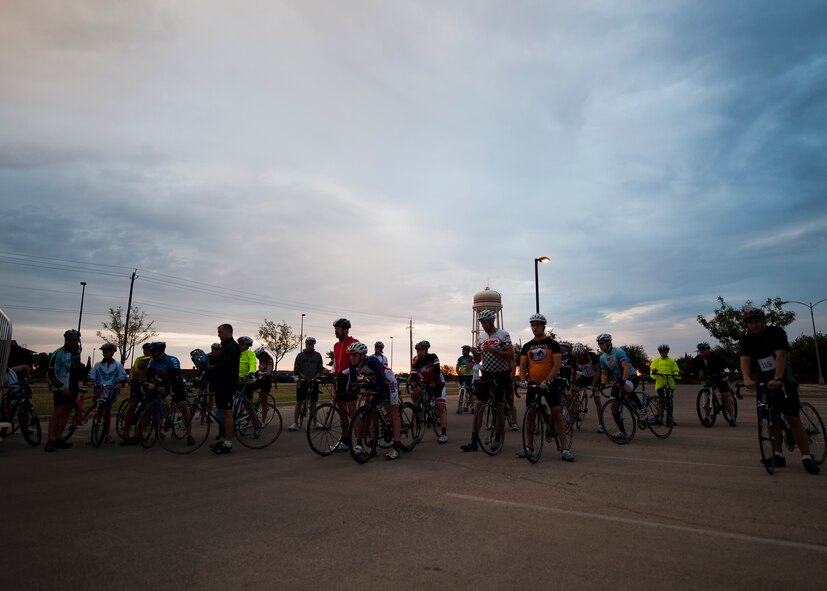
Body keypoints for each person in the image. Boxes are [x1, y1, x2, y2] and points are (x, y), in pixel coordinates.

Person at [739, 306, 819, 474]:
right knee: (771, 417)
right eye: (750, 323)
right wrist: (746, 378)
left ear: (763, 322)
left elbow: (781, 356)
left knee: (792, 417)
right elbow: (745, 359)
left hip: (783, 376)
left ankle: (806, 456)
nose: (754, 326)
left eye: (756, 322)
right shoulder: (747, 339)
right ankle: (778, 454)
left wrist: (777, 378)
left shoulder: (776, 333)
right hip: (764, 378)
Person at [518, 314, 572, 461]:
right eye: (533, 325)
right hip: (533, 384)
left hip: (549, 383)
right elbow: (522, 366)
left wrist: (548, 380)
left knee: (557, 413)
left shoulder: (552, 344)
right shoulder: (527, 346)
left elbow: (557, 364)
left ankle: (564, 448)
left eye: (538, 324)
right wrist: (523, 379)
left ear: (543, 326)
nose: (535, 327)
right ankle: (530, 447)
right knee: (531, 415)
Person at [461, 310, 513, 452]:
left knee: (499, 406)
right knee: (478, 406)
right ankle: (473, 441)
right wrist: (475, 353)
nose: (483, 325)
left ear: (492, 320)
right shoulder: (480, 338)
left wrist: (494, 350)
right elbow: (479, 360)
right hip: (487, 374)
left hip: (501, 373)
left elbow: (511, 355)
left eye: (485, 322)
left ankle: (497, 438)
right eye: (481, 322)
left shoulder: (503, 334)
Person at [345, 341, 403, 460]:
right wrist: (353, 388)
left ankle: (396, 446)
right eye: (350, 355)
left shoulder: (372, 361)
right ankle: (373, 442)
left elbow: (381, 384)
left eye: (354, 355)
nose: (352, 357)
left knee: (393, 412)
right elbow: (353, 382)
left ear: (362, 355)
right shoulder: (352, 363)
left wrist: (363, 386)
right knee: (371, 412)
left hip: (388, 382)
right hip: (374, 382)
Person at [143, 341, 194, 446]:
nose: (151, 354)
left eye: (153, 351)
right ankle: (161, 421)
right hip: (160, 384)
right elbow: (149, 375)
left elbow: (174, 373)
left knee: (183, 407)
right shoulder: (152, 361)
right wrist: (149, 383)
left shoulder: (172, 360)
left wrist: (163, 378)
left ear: (160, 351)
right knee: (152, 405)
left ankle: (189, 434)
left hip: (175, 384)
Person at [44, 329, 83, 452]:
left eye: (76, 340)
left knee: (67, 412)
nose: (74, 343)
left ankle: (58, 438)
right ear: (66, 340)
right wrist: (61, 388)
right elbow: (50, 374)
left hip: (72, 384)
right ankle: (50, 440)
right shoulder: (59, 353)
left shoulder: (77, 351)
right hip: (60, 385)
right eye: (71, 340)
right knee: (58, 412)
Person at [597, 333, 639, 438]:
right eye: (598, 344)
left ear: (608, 342)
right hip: (619, 382)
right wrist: (602, 383)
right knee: (613, 407)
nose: (600, 345)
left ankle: (642, 409)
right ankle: (622, 432)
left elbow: (626, 367)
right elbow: (605, 373)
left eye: (602, 343)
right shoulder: (602, 358)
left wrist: (624, 380)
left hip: (631, 377)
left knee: (623, 386)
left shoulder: (619, 352)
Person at [209, 324, 241, 455]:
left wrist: (213, 367)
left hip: (227, 384)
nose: (218, 334)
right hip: (220, 384)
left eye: (220, 332)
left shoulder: (232, 346)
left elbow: (227, 364)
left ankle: (228, 443)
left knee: (227, 413)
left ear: (229, 332)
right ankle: (223, 439)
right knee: (222, 412)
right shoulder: (224, 346)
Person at [409, 340, 448, 444]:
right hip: (427, 384)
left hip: (438, 383)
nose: (420, 352)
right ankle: (419, 410)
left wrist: (434, 381)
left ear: (426, 350)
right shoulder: (417, 363)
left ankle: (443, 434)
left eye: (422, 350)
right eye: (418, 351)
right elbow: (413, 375)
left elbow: (437, 370)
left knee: (440, 406)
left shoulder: (433, 357)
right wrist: (412, 382)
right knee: (414, 393)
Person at [693, 342, 736, 426]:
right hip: (709, 377)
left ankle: (732, 418)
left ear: (708, 350)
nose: (702, 352)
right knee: (707, 397)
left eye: (704, 350)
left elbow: (722, 365)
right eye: (700, 351)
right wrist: (698, 374)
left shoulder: (716, 356)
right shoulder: (698, 359)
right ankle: (707, 417)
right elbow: (695, 369)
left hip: (720, 376)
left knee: (725, 396)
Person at [332, 318, 358, 449]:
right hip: (339, 381)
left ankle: (359, 442)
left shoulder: (354, 343)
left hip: (350, 380)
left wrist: (345, 373)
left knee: (352, 411)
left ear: (346, 330)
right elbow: (336, 363)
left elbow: (356, 363)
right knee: (342, 412)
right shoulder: (336, 345)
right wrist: (331, 373)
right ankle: (345, 440)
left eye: (338, 328)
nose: (336, 331)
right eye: (335, 328)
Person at [87, 342, 128, 422]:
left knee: (107, 411)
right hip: (99, 390)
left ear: (112, 353)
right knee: (98, 410)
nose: (105, 354)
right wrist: (90, 381)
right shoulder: (98, 365)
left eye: (107, 352)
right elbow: (92, 374)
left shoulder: (118, 365)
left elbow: (123, 376)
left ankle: (106, 432)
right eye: (104, 352)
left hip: (111, 390)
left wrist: (120, 383)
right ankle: (96, 429)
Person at [120, 342, 151, 444]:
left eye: (148, 350)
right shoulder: (141, 359)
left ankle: (148, 429)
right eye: (145, 350)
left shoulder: (154, 360)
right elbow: (134, 371)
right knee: (133, 405)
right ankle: (126, 430)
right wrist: (132, 379)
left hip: (148, 385)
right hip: (137, 384)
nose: (146, 352)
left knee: (149, 407)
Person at [290, 337, 324, 431]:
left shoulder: (317, 356)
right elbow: (296, 369)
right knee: (299, 402)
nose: (310, 347)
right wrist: (303, 376)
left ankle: (315, 423)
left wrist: (316, 376)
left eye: (312, 345)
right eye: (309, 345)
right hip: (303, 381)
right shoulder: (300, 356)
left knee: (313, 402)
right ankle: (295, 423)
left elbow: (320, 369)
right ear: (306, 345)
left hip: (313, 381)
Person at [569, 343, 603, 432]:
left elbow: (597, 371)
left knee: (597, 399)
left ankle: (601, 424)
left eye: (580, 356)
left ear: (584, 353)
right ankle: (571, 413)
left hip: (595, 376)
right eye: (577, 356)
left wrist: (594, 384)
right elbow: (573, 374)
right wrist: (572, 386)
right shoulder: (574, 359)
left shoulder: (592, 356)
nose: (579, 358)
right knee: (572, 392)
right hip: (584, 376)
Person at [649, 344, 680, 427]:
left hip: (669, 384)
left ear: (667, 352)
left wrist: (678, 374)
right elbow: (652, 375)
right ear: (659, 352)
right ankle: (659, 417)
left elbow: (675, 372)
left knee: (670, 401)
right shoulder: (655, 361)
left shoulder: (672, 361)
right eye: (661, 351)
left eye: (665, 351)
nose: (663, 353)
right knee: (660, 401)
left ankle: (670, 418)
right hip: (660, 385)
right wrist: (654, 372)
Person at [455, 345, 475, 413]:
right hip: (462, 376)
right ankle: (460, 407)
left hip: (469, 376)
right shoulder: (460, 358)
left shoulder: (471, 358)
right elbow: (457, 367)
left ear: (468, 351)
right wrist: (458, 373)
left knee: (470, 392)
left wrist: (467, 361)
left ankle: (472, 407)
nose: (463, 352)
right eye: (463, 350)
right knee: (461, 390)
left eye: (465, 350)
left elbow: (470, 366)